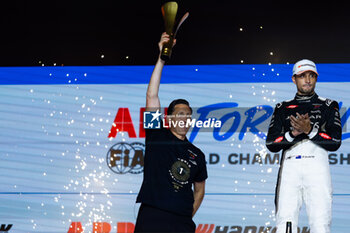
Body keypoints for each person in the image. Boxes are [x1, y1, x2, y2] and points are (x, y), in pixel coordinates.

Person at [134, 32, 208, 233]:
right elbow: (152, 95)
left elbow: (200, 191)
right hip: (152, 216)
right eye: (180, 114)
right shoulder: (156, 134)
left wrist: (185, 215)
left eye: (188, 115)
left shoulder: (197, 154)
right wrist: (161, 58)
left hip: (181, 223)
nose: (185, 118)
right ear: (168, 119)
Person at [266, 59, 342, 233]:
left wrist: (310, 130)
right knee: (285, 223)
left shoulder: (329, 105)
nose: (307, 80)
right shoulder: (282, 107)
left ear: (316, 78)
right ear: (294, 79)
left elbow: (335, 142)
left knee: (320, 224)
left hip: (317, 166)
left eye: (311, 76)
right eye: (302, 76)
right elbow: (271, 143)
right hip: (290, 168)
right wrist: (293, 134)